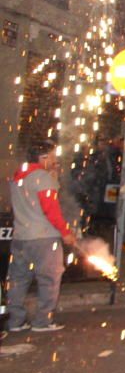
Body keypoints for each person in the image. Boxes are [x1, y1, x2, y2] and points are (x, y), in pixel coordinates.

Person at [6, 139, 77, 332]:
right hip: (44, 238)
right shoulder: (43, 179)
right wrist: (66, 232)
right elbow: (51, 210)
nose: (55, 161)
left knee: (18, 279)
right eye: (52, 156)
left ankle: (15, 321)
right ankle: (43, 321)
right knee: (49, 279)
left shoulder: (18, 176)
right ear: (43, 157)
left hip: (21, 236)